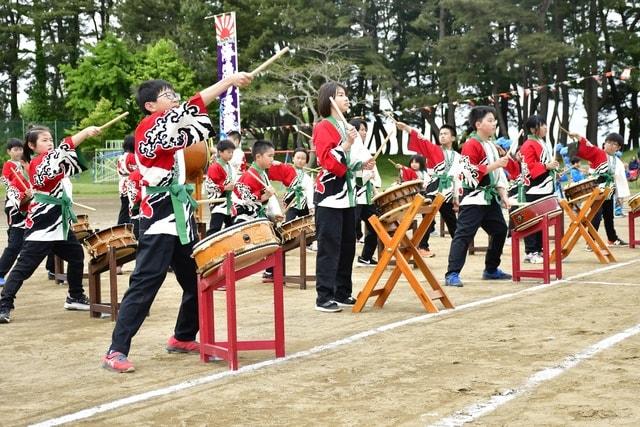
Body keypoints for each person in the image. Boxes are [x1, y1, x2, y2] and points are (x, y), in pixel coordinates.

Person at [102, 72, 253, 373]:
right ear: (149, 106)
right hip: (158, 218)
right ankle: (115, 350)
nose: (174, 99)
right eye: (167, 95)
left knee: (199, 279)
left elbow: (190, 111)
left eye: (174, 94)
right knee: (145, 283)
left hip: (180, 219)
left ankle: (183, 336)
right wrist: (227, 82)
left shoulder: (165, 125)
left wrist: (227, 84)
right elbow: (192, 107)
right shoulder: (148, 129)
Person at [0, 125, 102, 323]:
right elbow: (65, 148)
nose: (50, 142)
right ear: (32, 145)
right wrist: (85, 133)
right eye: (44, 140)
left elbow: (67, 157)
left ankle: (75, 296)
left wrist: (81, 141)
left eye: (50, 139)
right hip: (43, 224)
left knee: (75, 256)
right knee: (24, 268)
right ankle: (4, 305)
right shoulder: (40, 162)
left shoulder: (53, 161)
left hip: (58, 223)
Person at [313, 81, 374, 312]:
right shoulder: (323, 126)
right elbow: (328, 161)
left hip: (349, 197)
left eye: (346, 94)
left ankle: (342, 291)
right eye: (340, 95)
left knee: (348, 245)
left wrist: (362, 165)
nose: (346, 98)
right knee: (329, 246)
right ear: (328, 100)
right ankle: (323, 296)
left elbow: (347, 165)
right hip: (329, 197)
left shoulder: (345, 125)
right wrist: (347, 144)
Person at [444, 106, 512, 287]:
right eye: (490, 120)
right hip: (473, 197)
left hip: (489, 198)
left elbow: (498, 176)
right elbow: (469, 172)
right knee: (464, 235)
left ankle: (491, 269)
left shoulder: (490, 144)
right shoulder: (470, 144)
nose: (494, 123)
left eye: (494, 120)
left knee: (499, 230)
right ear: (478, 124)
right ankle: (452, 273)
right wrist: (496, 164)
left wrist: (503, 194)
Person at [232, 139, 296, 282]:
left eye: (273, 156)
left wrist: (274, 215)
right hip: (244, 218)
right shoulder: (249, 175)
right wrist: (263, 196)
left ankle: (271, 271)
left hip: (258, 215)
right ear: (258, 157)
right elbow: (245, 198)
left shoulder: (262, 173)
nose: (272, 159)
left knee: (276, 235)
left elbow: (266, 199)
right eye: (270, 156)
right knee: (273, 237)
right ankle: (269, 271)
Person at [395, 122, 462, 258]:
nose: (442, 136)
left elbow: (458, 178)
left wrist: (457, 198)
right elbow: (422, 139)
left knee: (452, 221)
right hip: (433, 189)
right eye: (441, 134)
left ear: (453, 138)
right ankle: (422, 247)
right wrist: (407, 128)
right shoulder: (434, 150)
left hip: (448, 192)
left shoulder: (458, 157)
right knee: (428, 219)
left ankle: (460, 245)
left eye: (445, 134)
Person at [568, 131, 628, 246]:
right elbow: (588, 145)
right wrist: (577, 136)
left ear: (619, 147)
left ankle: (612, 238)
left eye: (614, 144)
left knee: (609, 217)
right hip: (595, 190)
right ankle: (590, 241)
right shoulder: (598, 153)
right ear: (604, 144)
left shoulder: (618, 163)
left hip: (609, 191)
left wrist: (620, 196)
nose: (610, 145)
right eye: (608, 142)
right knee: (596, 215)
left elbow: (620, 180)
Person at [520, 115, 559, 264]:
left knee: (544, 220)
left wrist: (553, 169)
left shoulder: (542, 142)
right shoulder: (528, 144)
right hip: (535, 187)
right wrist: (546, 166)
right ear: (532, 129)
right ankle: (531, 251)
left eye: (545, 125)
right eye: (542, 125)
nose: (545, 128)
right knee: (533, 221)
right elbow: (528, 166)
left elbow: (544, 163)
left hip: (545, 186)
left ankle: (540, 249)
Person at [0, 138, 32, 286]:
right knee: (15, 243)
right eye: (15, 149)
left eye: (20, 149)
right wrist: (21, 195)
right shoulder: (8, 165)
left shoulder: (26, 164)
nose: (19, 152)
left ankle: (51, 267)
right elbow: (6, 183)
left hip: (29, 204)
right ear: (9, 151)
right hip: (15, 206)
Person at [350, 119, 380, 266]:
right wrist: (368, 173)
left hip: (366, 197)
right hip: (354, 197)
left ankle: (366, 257)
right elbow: (353, 174)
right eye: (361, 129)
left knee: (376, 225)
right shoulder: (351, 149)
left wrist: (374, 182)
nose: (364, 132)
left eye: (365, 129)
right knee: (350, 230)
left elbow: (373, 173)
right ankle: (345, 259)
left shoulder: (364, 149)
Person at [395, 154, 435, 257]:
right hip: (411, 200)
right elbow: (406, 176)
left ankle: (422, 246)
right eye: (412, 162)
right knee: (406, 222)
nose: (414, 164)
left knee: (429, 221)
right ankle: (416, 246)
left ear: (421, 163)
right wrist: (402, 169)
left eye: (416, 162)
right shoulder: (409, 172)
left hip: (423, 199)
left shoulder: (425, 173)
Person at [204, 139, 236, 235]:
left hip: (228, 202)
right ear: (220, 152)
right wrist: (224, 188)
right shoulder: (214, 167)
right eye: (228, 152)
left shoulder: (230, 166)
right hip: (218, 203)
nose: (231, 154)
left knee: (232, 227)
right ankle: (209, 246)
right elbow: (209, 185)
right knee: (215, 228)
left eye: (232, 152)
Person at [282, 147, 315, 222]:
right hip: (291, 204)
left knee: (305, 226)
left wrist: (311, 207)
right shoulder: (287, 172)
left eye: (303, 158)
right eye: (298, 158)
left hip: (304, 205)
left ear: (306, 161)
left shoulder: (307, 178)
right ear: (293, 158)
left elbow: (310, 193)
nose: (300, 160)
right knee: (289, 225)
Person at [116, 135, 137, 225]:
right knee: (130, 208)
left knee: (125, 208)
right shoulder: (132, 157)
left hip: (123, 184)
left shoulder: (121, 157)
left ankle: (121, 226)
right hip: (131, 184)